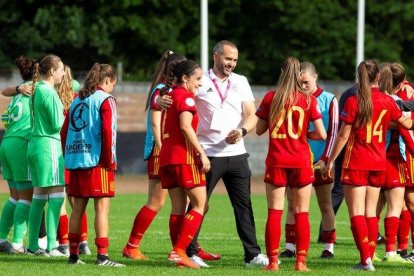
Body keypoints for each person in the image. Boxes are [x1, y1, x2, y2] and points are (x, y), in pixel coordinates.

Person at [183, 40, 268, 267]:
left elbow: (252, 114)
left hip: (237, 154)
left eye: (234, 60)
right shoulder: (201, 80)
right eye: (228, 58)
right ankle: (189, 252)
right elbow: (180, 96)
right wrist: (161, 98)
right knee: (198, 204)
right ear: (216, 56)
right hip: (207, 153)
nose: (231, 63)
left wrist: (241, 130)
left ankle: (252, 255)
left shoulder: (241, 81)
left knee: (244, 205)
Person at [326, 59, 413, 271]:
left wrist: (330, 159)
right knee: (370, 213)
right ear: (378, 77)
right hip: (378, 163)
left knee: (356, 212)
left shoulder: (355, 101)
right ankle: (369, 258)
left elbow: (343, 135)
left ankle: (366, 260)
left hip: (356, 162)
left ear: (359, 78)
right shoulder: (388, 101)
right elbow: (408, 123)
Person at [256, 57, 326, 271]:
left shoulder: (271, 97)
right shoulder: (307, 100)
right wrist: (304, 134)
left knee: (275, 212)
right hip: (301, 160)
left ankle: (273, 262)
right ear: (298, 75)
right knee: (301, 211)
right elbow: (322, 134)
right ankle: (301, 262)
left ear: (281, 72)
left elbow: (259, 130)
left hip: (277, 160)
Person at [122, 50, 186, 260]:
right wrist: (161, 146)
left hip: (166, 150)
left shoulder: (164, 88)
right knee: (157, 201)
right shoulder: (162, 89)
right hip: (161, 152)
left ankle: (183, 249)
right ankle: (132, 246)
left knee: (182, 203)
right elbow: (155, 123)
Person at [61, 63, 123, 266]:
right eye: (113, 83)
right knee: (102, 209)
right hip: (98, 161)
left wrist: (68, 155)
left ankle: (73, 256)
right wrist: (109, 160)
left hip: (75, 160)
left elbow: (64, 132)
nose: (113, 88)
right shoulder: (105, 99)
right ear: (107, 81)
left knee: (77, 210)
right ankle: (102, 256)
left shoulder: (77, 99)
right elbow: (108, 131)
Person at [280, 61, 338, 259]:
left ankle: (328, 247)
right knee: (292, 204)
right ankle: (290, 246)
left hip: (320, 162)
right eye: (299, 82)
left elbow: (333, 133)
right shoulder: (295, 99)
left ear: (315, 77)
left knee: (325, 203)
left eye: (305, 82)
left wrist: (326, 159)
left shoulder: (329, 100)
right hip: (298, 161)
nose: (303, 86)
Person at [158, 59, 210, 269]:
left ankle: (177, 255)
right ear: (184, 78)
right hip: (184, 158)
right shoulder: (186, 98)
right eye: (197, 79)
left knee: (178, 208)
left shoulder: (167, 97)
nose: (199, 83)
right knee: (200, 204)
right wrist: (202, 154)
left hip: (166, 158)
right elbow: (186, 127)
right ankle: (179, 251)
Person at [27, 54, 66, 256]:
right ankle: (52, 245)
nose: (62, 74)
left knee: (39, 196)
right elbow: (56, 124)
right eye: (60, 70)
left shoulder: (36, 89)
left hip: (36, 144)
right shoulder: (48, 92)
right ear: (52, 71)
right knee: (58, 195)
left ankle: (33, 244)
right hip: (48, 146)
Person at [378, 62, 413, 263]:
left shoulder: (370, 98)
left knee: (373, 207)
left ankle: (369, 253)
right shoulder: (395, 102)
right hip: (395, 157)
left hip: (372, 157)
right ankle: (393, 251)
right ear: (399, 85)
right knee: (399, 205)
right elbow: (405, 126)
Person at [0, 56, 35, 254]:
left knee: (14, 197)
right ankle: (18, 243)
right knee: (26, 198)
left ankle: (1, 238)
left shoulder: (20, 91)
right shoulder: (37, 89)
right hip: (22, 143)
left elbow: (4, 91)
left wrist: (18, 88)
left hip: (7, 142)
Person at [55, 65, 91, 257]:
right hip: (74, 153)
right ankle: (83, 241)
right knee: (77, 202)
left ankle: (64, 242)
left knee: (59, 200)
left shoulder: (52, 97)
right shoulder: (78, 100)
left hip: (56, 152)